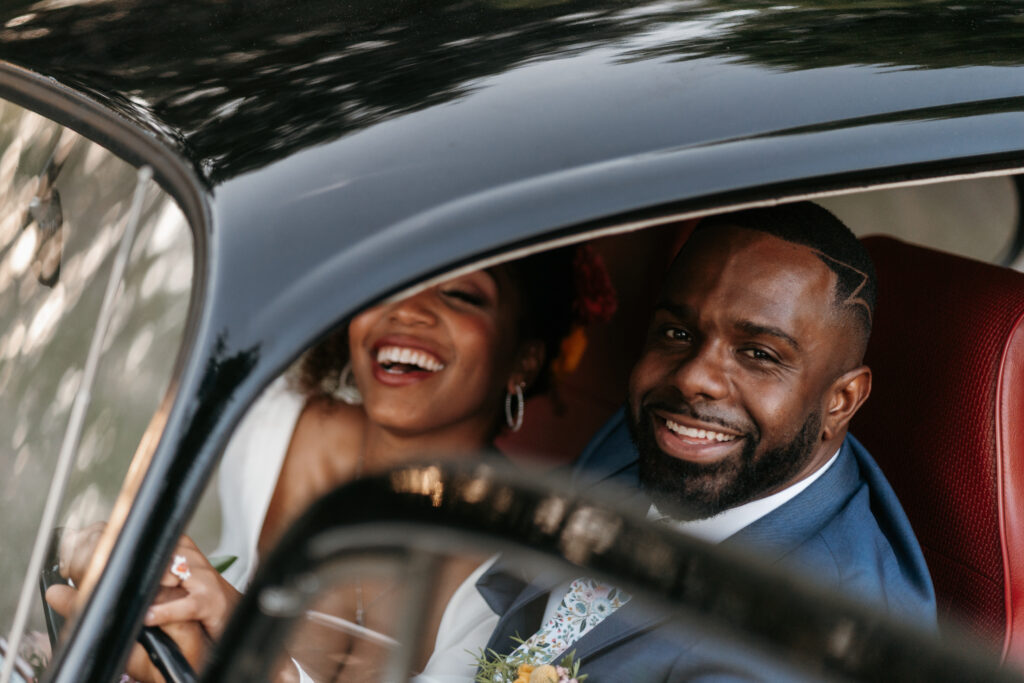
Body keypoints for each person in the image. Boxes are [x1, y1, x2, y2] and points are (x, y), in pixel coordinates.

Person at [47, 246, 616, 682]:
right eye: (394, 276)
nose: (408, 309)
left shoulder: (521, 573)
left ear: (524, 359)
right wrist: (111, 559)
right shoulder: (264, 420)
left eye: (460, 295)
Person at [424, 202, 936, 682]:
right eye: (676, 333)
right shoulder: (660, 438)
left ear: (840, 401)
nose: (694, 378)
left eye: (758, 353)